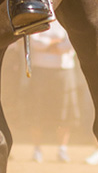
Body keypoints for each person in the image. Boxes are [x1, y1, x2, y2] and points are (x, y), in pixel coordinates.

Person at [28, 23, 79, 164]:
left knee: (65, 112)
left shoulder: (67, 16)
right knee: (37, 111)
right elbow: (33, 41)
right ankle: (37, 150)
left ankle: (62, 149)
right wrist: (55, 44)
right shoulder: (39, 15)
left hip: (65, 70)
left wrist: (48, 46)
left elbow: (71, 42)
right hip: (40, 69)